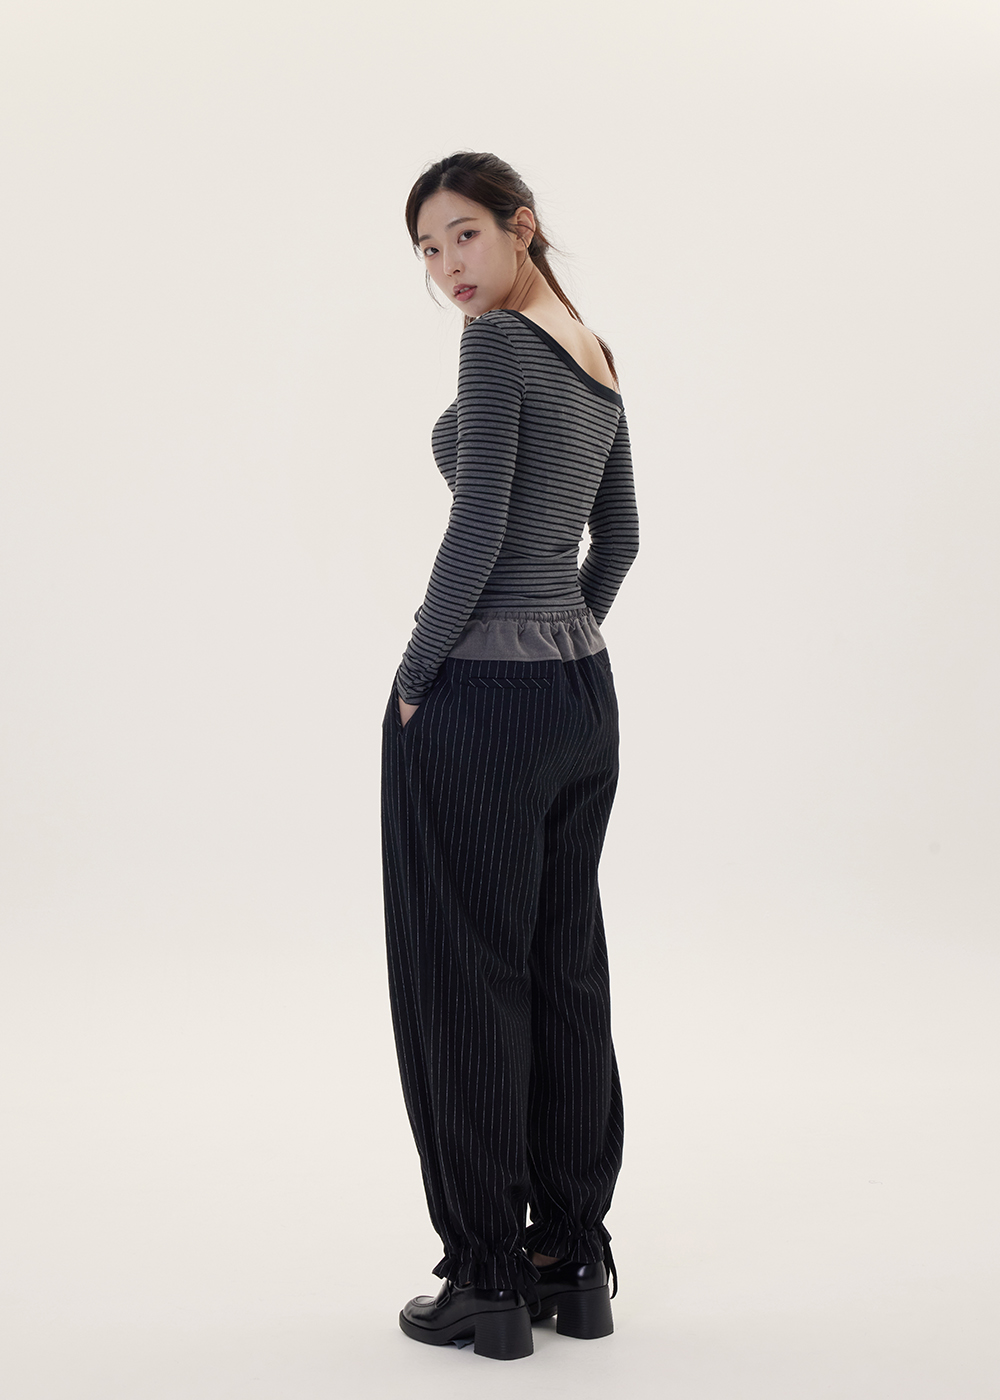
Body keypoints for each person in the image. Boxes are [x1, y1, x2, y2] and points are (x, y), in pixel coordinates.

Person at [380, 150, 640, 1361]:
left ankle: (486, 1276)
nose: (448, 267)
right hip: (581, 695)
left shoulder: (495, 347)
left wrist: (417, 674)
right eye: (428, 250)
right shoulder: (595, 353)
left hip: (481, 695)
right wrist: (564, 634)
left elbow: (478, 524)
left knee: (466, 977)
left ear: (521, 225)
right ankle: (569, 1257)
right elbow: (618, 540)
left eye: (465, 235)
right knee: (561, 966)